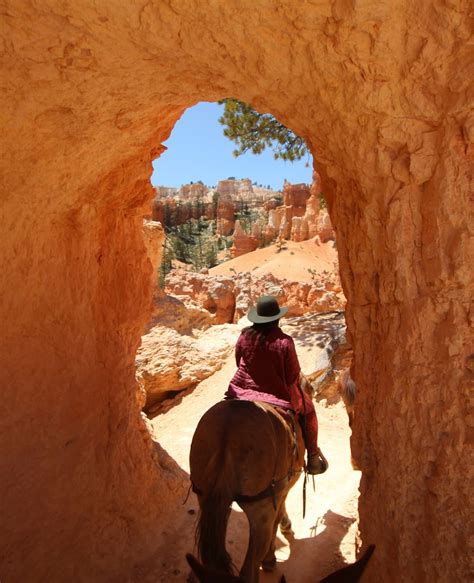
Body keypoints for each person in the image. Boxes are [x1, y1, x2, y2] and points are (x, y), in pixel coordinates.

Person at [225, 295, 328, 475]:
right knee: (309, 411)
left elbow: (238, 361)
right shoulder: (284, 342)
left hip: (240, 391)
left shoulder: (244, 335)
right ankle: (312, 457)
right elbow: (292, 376)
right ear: (277, 319)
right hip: (274, 394)